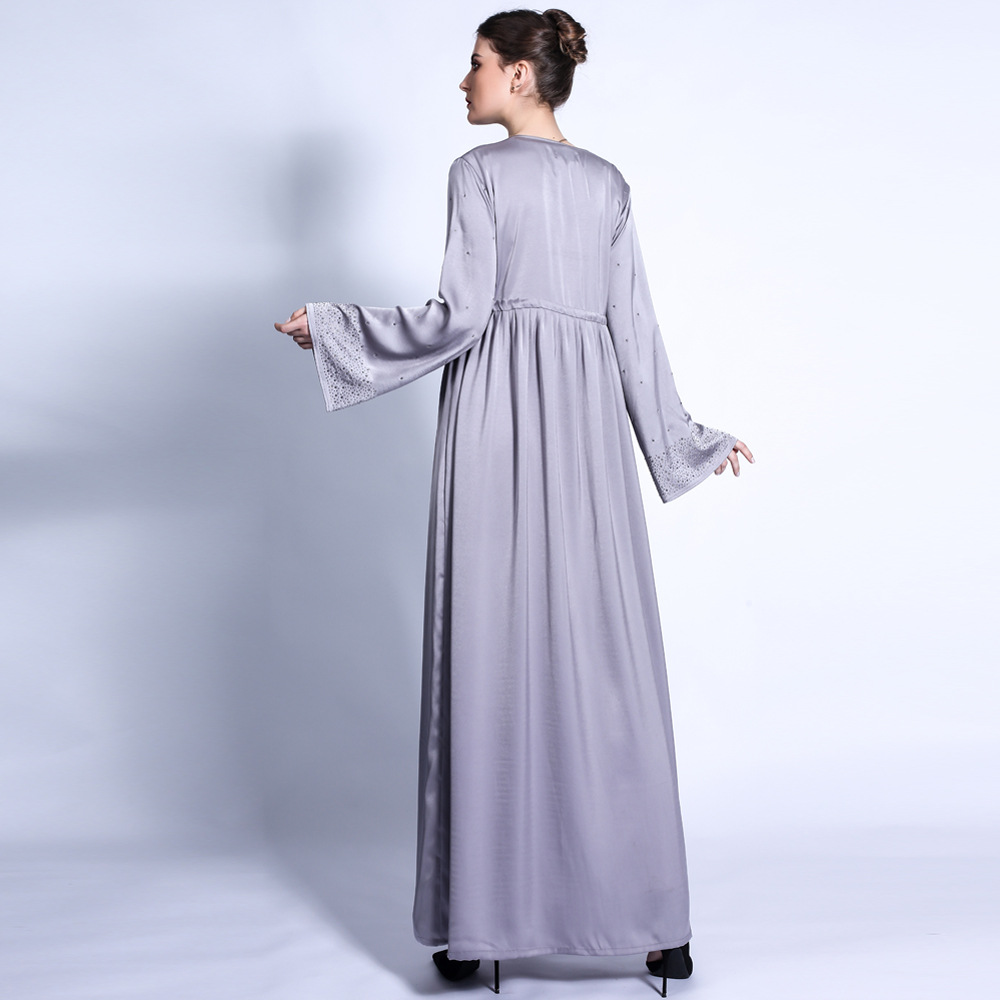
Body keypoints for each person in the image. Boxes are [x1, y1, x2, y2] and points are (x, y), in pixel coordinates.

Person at [275, 8, 753, 994]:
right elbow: (633, 333)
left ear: (522, 76)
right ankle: (656, 929)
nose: (464, 81)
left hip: (495, 419)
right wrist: (683, 441)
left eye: (477, 64)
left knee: (489, 652)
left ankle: (480, 929)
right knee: (603, 658)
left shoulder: (479, 175)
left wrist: (335, 328)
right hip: (584, 431)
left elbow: (460, 316)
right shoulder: (608, 185)